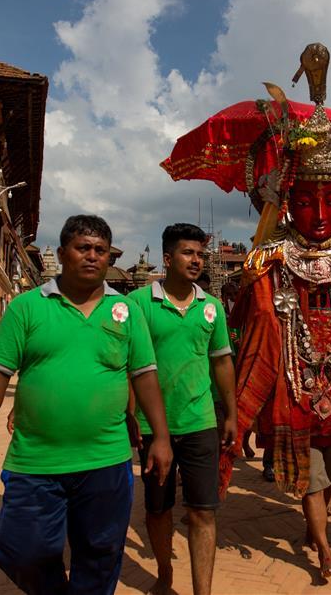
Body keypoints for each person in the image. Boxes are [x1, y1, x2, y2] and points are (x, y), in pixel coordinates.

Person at [162, 43, 331, 580]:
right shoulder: (270, 260)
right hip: (292, 382)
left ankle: (320, 517)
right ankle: (322, 543)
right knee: (309, 475)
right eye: (307, 201)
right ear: (287, 200)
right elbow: (257, 329)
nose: (320, 214)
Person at [0, 215, 172, 595]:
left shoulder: (127, 312)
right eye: (82, 248)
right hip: (36, 461)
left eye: (100, 250)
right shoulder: (26, 308)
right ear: (63, 252)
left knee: (101, 553)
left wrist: (162, 437)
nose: (92, 256)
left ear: (109, 257)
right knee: (21, 552)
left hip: (107, 459)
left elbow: (145, 376)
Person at [128, 223, 237, 595]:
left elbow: (222, 363)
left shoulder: (212, 307)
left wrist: (232, 414)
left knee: (203, 511)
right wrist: (129, 413)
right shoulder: (139, 304)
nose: (197, 261)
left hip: (200, 420)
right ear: (168, 258)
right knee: (158, 509)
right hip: (150, 424)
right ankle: (164, 572)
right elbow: (127, 365)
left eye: (201, 254)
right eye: (189, 253)